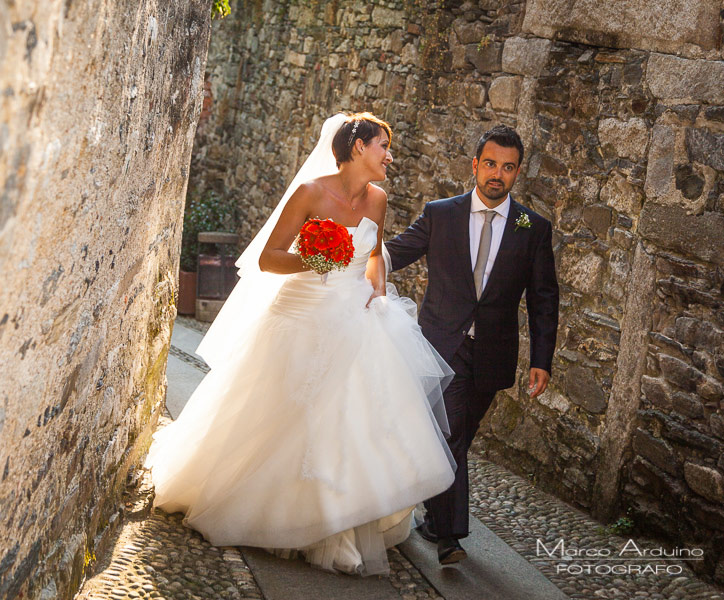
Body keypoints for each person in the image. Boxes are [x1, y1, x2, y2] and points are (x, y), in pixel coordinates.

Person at [146, 113, 457, 576]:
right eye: (383, 146)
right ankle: (277, 514)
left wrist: (377, 289)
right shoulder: (311, 192)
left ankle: (340, 526)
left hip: (356, 317)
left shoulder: (379, 199)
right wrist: (311, 260)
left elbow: (374, 257)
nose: (390, 156)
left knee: (352, 417)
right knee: (288, 414)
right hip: (300, 314)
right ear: (357, 149)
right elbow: (268, 259)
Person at [384, 124, 559, 565]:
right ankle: (451, 539)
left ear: (517, 173)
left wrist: (542, 360)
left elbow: (543, 299)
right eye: (490, 164)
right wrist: (339, 253)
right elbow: (396, 252)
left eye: (508, 167)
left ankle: (432, 518)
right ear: (475, 165)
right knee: (450, 432)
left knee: (458, 438)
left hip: (492, 355)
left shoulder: (533, 228)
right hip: (440, 345)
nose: (497, 174)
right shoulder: (441, 213)